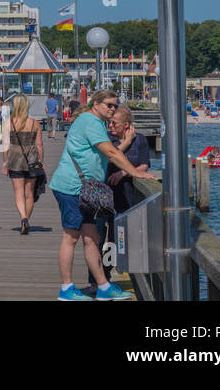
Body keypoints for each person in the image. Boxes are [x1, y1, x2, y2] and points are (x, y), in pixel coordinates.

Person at [51, 90, 151, 300]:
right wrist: (135, 172)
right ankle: (66, 289)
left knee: (92, 238)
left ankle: (103, 287)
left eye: (115, 105)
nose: (112, 108)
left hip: (84, 189)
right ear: (96, 104)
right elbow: (112, 152)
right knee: (70, 238)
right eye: (109, 105)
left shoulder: (92, 121)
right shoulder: (91, 122)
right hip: (72, 187)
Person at [88, 104, 151, 287]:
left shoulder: (139, 140)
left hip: (125, 197)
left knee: (116, 239)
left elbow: (144, 165)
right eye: (110, 123)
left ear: (127, 125)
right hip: (102, 196)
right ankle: (98, 280)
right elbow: (106, 160)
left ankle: (113, 273)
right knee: (98, 238)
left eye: (114, 123)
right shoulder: (106, 139)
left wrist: (124, 172)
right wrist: (123, 146)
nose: (111, 126)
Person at [2, 94, 43, 234]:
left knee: (19, 193)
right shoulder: (35, 123)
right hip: (32, 160)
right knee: (29, 193)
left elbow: (6, 145)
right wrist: (41, 163)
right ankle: (26, 220)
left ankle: (23, 217)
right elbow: (39, 145)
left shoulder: (9, 122)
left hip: (14, 160)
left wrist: (4, 162)